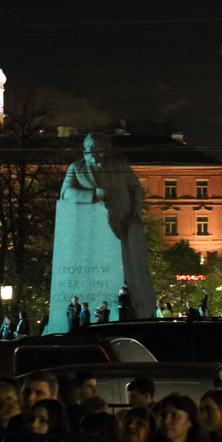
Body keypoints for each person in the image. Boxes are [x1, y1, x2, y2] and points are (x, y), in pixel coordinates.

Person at [60, 132, 153, 319]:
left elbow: (136, 188)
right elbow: (65, 193)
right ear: (85, 149)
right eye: (90, 148)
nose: (94, 152)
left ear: (106, 149)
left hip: (124, 222)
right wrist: (93, 195)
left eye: (98, 148)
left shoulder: (120, 166)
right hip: (92, 230)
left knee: (131, 270)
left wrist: (135, 212)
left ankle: (140, 309)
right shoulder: (76, 168)